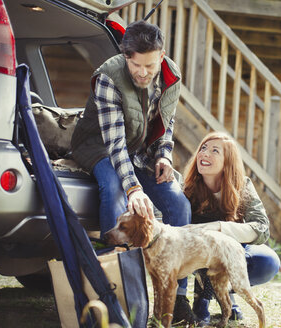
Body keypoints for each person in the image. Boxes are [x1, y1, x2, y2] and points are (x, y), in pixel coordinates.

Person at [70, 20, 193, 319]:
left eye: (149, 66)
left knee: (178, 202)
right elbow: (114, 145)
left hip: (139, 153)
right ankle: (117, 295)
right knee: (114, 191)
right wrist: (133, 188)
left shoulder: (170, 77)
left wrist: (163, 156)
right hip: (98, 147)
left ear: (161, 57)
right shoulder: (108, 78)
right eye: (135, 64)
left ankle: (177, 299)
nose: (142, 72)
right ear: (126, 56)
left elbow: (166, 125)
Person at [183, 131, 281, 325]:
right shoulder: (187, 189)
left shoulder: (242, 186)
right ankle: (202, 299)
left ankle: (226, 294)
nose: (205, 154)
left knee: (267, 262)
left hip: (233, 252)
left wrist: (219, 227)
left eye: (214, 151)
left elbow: (261, 229)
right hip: (197, 257)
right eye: (203, 148)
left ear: (228, 161)